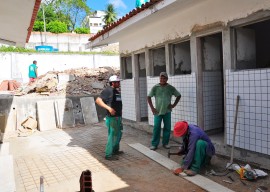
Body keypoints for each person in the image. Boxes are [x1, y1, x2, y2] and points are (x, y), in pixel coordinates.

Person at [147, 72, 181, 150]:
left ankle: (165, 143)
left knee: (167, 128)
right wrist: (152, 108)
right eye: (161, 78)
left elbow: (178, 95)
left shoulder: (170, 88)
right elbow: (149, 97)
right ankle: (154, 144)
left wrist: (173, 105)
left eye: (164, 78)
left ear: (167, 79)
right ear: (159, 78)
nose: (162, 79)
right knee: (156, 127)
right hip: (157, 112)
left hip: (167, 111)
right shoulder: (155, 87)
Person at [95, 75, 123, 161]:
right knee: (112, 136)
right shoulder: (108, 90)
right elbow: (98, 100)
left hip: (118, 117)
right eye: (117, 82)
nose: (119, 83)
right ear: (112, 83)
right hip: (112, 118)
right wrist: (109, 108)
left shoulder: (116, 91)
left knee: (118, 134)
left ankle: (115, 150)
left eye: (119, 82)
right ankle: (108, 155)